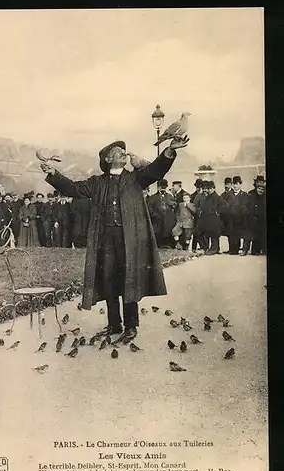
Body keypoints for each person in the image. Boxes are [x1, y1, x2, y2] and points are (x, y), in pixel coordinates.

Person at [41, 135, 189, 342]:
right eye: (117, 150)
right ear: (108, 160)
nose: (123, 152)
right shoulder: (97, 182)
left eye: (123, 150)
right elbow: (73, 188)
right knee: (109, 280)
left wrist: (169, 151)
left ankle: (131, 326)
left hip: (129, 239)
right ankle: (113, 324)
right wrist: (53, 174)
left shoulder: (136, 178)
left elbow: (157, 170)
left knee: (129, 280)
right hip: (105, 240)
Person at [197, 181, 227, 255]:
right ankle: (212, 248)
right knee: (207, 233)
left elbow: (225, 205)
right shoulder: (208, 196)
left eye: (210, 189)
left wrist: (218, 211)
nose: (209, 190)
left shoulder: (217, 197)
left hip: (214, 220)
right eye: (208, 189)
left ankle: (214, 249)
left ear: (214, 188)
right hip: (208, 219)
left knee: (214, 235)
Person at [147, 179, 177, 248]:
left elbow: (175, 207)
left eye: (164, 187)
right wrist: (155, 215)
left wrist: (173, 205)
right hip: (157, 221)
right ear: (158, 187)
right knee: (158, 236)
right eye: (161, 187)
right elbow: (149, 209)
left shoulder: (170, 196)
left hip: (168, 221)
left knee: (168, 235)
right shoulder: (153, 197)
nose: (163, 189)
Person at [226, 176, 250, 255]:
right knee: (232, 233)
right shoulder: (229, 194)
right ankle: (233, 249)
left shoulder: (244, 195)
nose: (235, 186)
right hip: (231, 218)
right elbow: (226, 205)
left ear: (240, 184)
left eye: (236, 184)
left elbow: (245, 207)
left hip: (240, 218)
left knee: (240, 233)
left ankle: (241, 249)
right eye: (234, 184)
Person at [247, 176, 266, 255]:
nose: (259, 184)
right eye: (258, 182)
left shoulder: (265, 193)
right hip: (254, 217)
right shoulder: (251, 193)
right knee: (255, 234)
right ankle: (255, 250)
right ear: (255, 183)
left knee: (264, 233)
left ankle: (264, 250)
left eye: (261, 182)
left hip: (263, 217)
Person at [190, 179, 203, 251]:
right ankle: (193, 248)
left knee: (203, 232)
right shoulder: (193, 196)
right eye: (197, 186)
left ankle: (203, 246)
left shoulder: (204, 195)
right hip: (195, 217)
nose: (198, 188)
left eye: (200, 186)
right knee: (195, 233)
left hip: (203, 217)